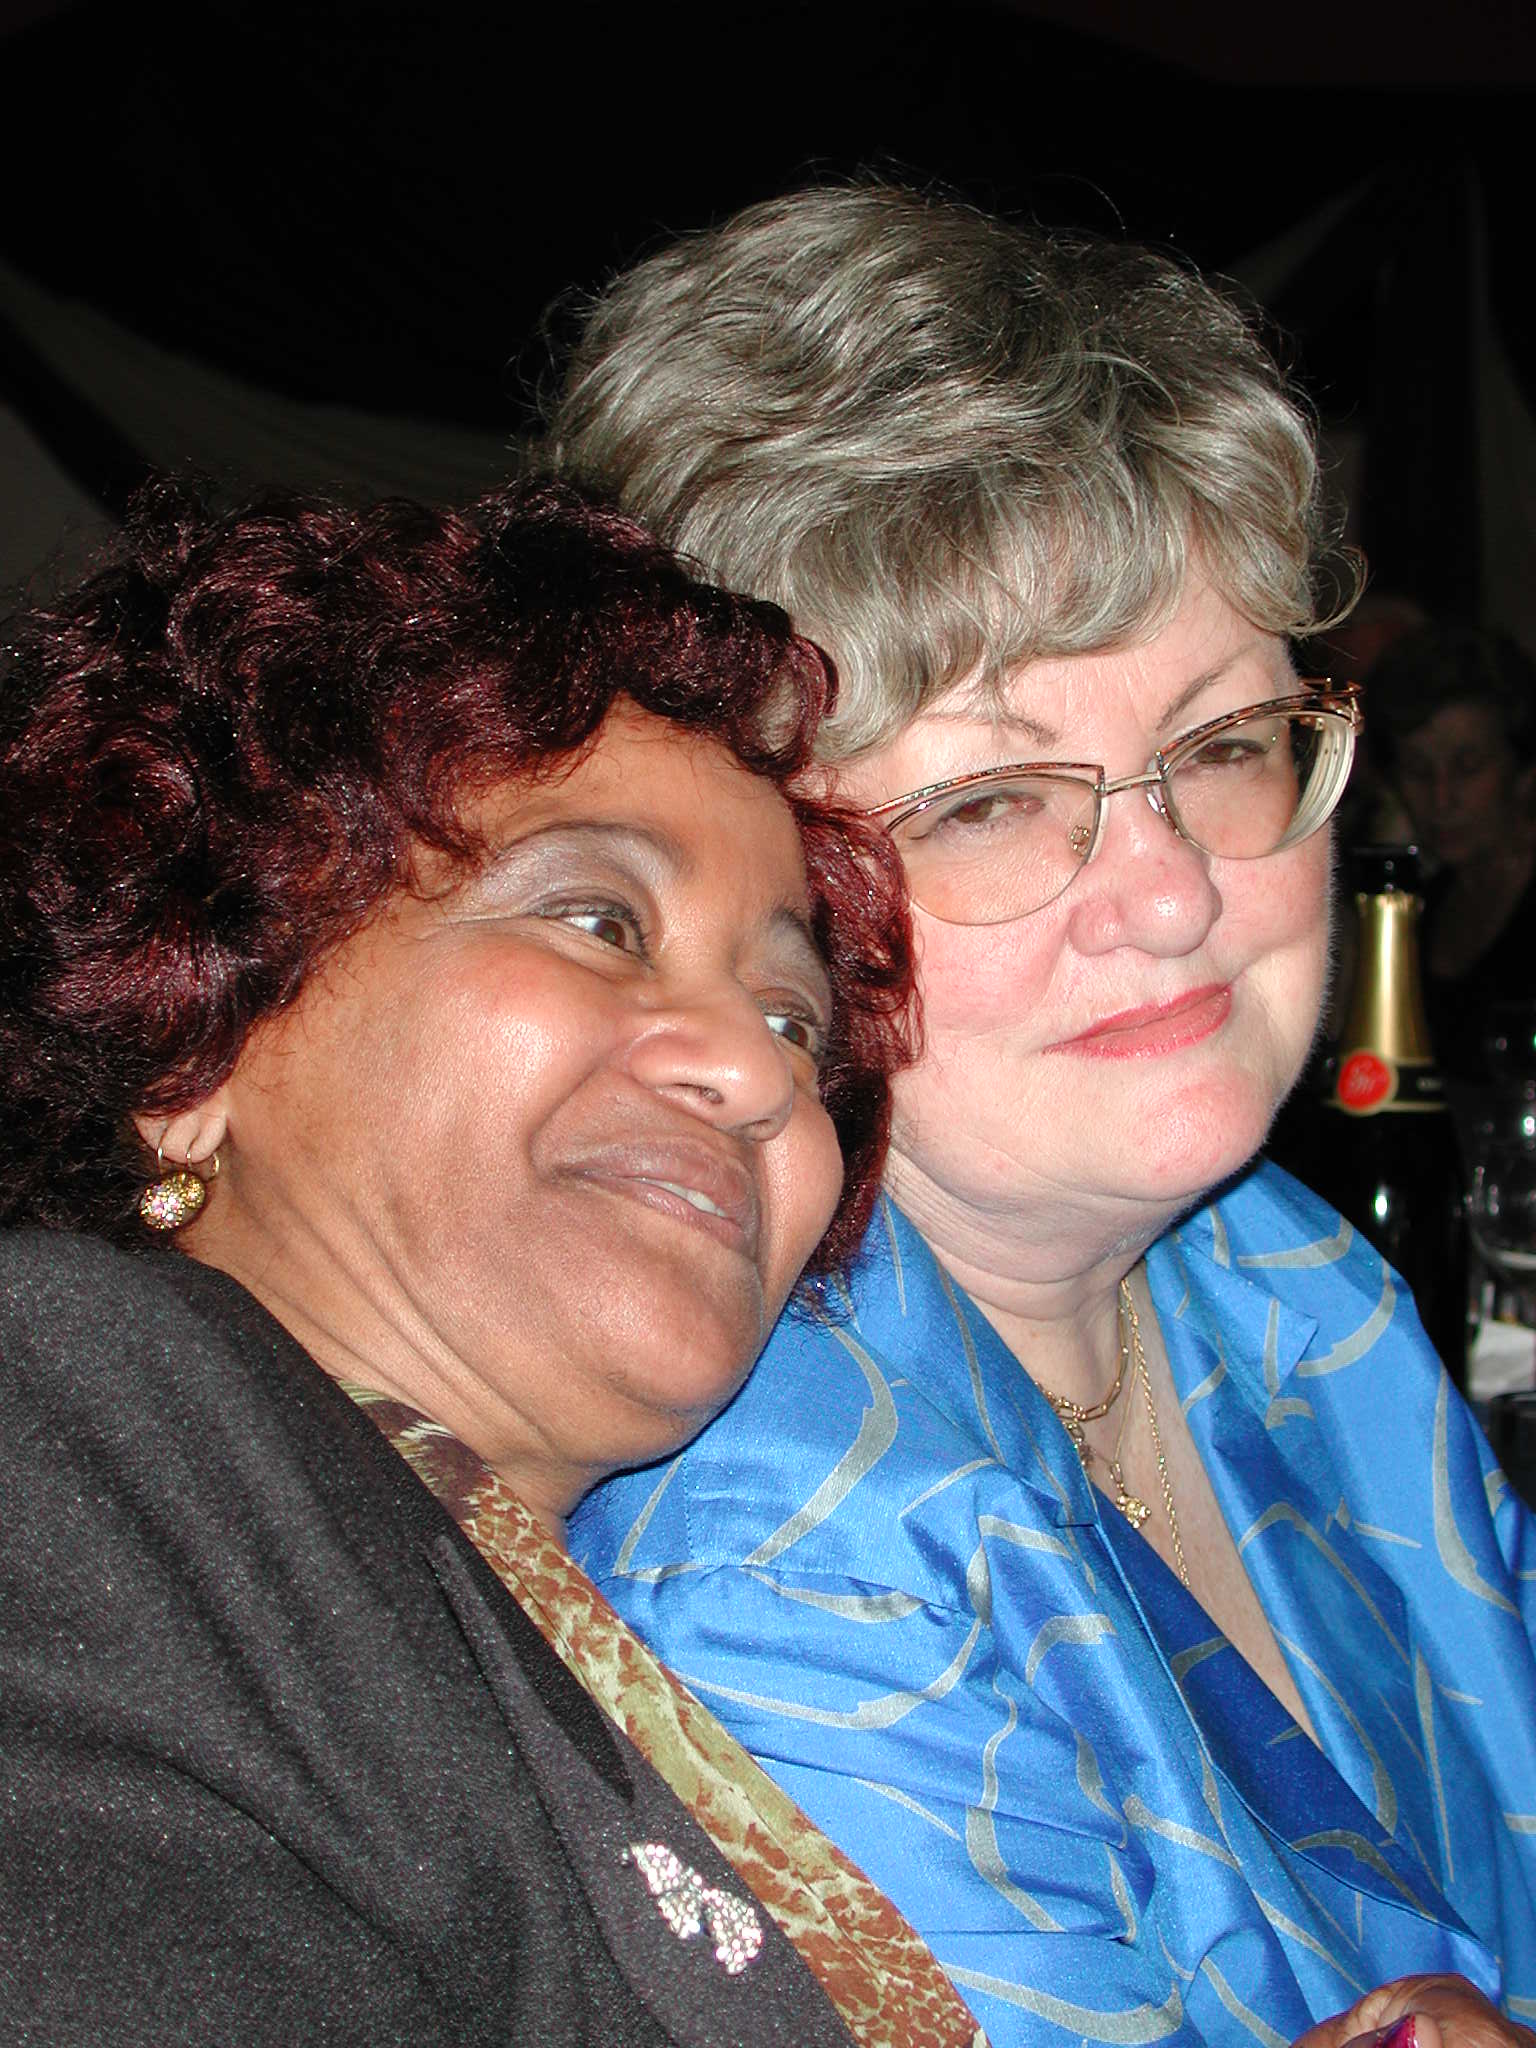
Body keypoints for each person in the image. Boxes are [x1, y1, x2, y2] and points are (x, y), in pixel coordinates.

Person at [546, 185, 1536, 2048]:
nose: (1173, 893)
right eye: (991, 802)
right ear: (758, 896)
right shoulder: (786, 1567)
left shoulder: (1287, 1283)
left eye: (1222, 748)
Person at [0, 478, 990, 2047]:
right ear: (197, 1041)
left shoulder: (601, 1659)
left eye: (794, 1022)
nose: (753, 1070)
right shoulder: (78, 1434)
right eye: (598, 921)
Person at [1368, 622, 1536, 1084]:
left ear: (1522, 769)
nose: (1441, 799)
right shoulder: (1416, 907)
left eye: (1468, 766)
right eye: (1417, 770)